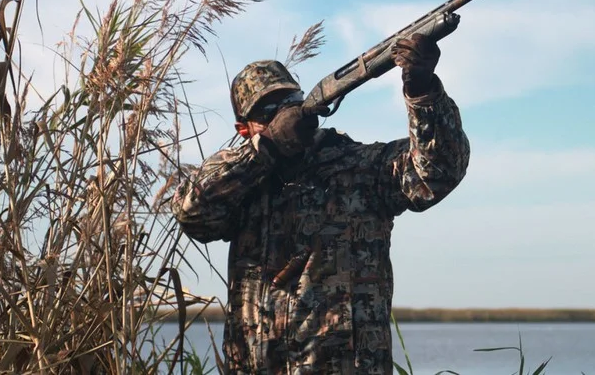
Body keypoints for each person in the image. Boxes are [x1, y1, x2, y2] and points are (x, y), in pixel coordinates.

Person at [172, 33, 470, 374]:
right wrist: (265, 148)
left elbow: (438, 171)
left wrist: (422, 91)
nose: (285, 114)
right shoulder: (242, 187)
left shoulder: (359, 167)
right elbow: (190, 212)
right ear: (244, 129)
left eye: (292, 101)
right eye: (269, 111)